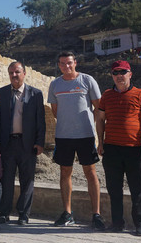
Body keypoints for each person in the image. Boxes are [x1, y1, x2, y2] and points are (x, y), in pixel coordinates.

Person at [47, 51, 106, 230]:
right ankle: (67, 213)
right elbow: (55, 111)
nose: (66, 66)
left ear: (75, 63)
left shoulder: (87, 80)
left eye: (69, 63)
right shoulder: (55, 84)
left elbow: (99, 107)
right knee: (65, 173)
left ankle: (96, 214)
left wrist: (89, 125)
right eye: (63, 63)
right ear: (59, 65)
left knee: (91, 173)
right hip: (64, 136)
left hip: (85, 136)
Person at [96, 60, 141, 236]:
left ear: (130, 74)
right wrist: (100, 142)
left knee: (137, 189)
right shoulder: (106, 95)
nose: (119, 76)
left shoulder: (140, 94)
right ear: (112, 76)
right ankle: (117, 223)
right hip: (111, 149)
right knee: (114, 189)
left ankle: (140, 224)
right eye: (115, 73)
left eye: (123, 72)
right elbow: (100, 119)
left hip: (134, 149)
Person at [0, 62, 45, 225]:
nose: (14, 75)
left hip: (27, 144)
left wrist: (39, 142)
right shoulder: (1, 93)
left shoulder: (35, 94)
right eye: (11, 73)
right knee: (6, 179)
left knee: (27, 180)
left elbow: (40, 121)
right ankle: (4, 212)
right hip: (8, 143)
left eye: (17, 72)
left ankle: (23, 213)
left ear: (24, 73)